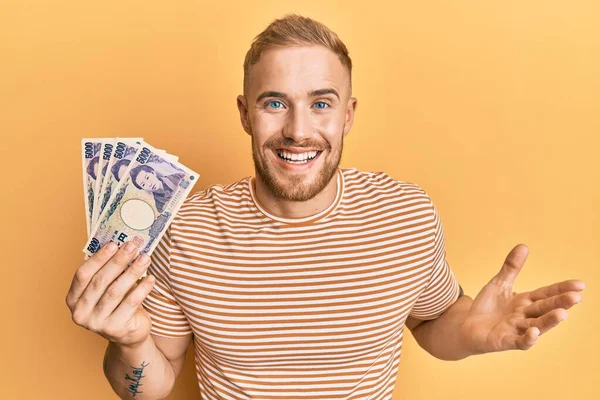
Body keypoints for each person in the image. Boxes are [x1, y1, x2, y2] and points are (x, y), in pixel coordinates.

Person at [66, 14, 586, 400]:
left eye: (320, 102)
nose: (297, 129)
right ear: (245, 114)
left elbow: (433, 324)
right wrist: (131, 342)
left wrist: (471, 330)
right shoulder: (189, 231)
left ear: (348, 114)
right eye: (275, 103)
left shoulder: (406, 215)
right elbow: (149, 388)